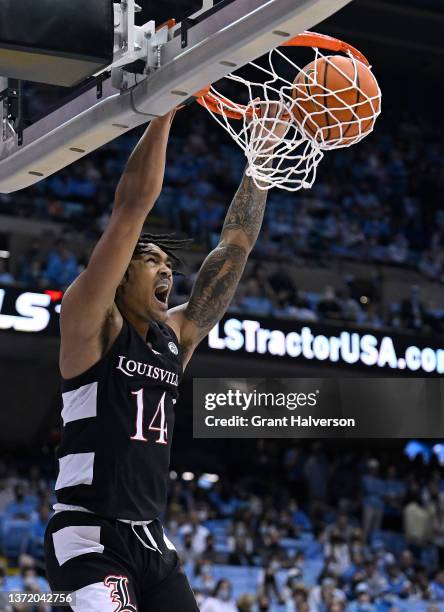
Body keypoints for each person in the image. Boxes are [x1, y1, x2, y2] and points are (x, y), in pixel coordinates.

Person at [44, 105, 286, 611]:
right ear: (120, 275)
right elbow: (130, 209)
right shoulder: (92, 323)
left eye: (170, 265)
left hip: (152, 541)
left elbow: (234, 248)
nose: (167, 271)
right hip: (90, 536)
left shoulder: (174, 337)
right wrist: (163, 113)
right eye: (151, 259)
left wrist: (259, 163)